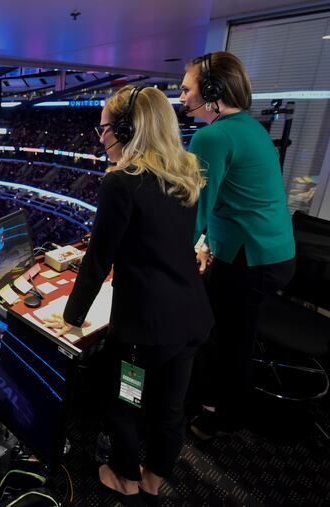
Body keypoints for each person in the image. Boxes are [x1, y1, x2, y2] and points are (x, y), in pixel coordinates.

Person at [44, 86, 212, 506]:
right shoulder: (185, 172)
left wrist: (71, 317)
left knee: (125, 404)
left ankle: (126, 480)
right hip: (190, 322)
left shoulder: (122, 181)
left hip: (142, 336)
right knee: (171, 411)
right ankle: (154, 482)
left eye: (104, 128)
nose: (100, 137)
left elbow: (98, 260)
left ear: (125, 129)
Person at [179, 52, 296, 440]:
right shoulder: (250, 127)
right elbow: (235, 199)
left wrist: (166, 251)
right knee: (232, 336)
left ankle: (220, 416)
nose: (180, 98)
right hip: (272, 252)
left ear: (211, 91)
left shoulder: (212, 136)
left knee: (225, 340)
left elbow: (193, 211)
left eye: (186, 88)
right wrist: (207, 244)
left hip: (251, 259)